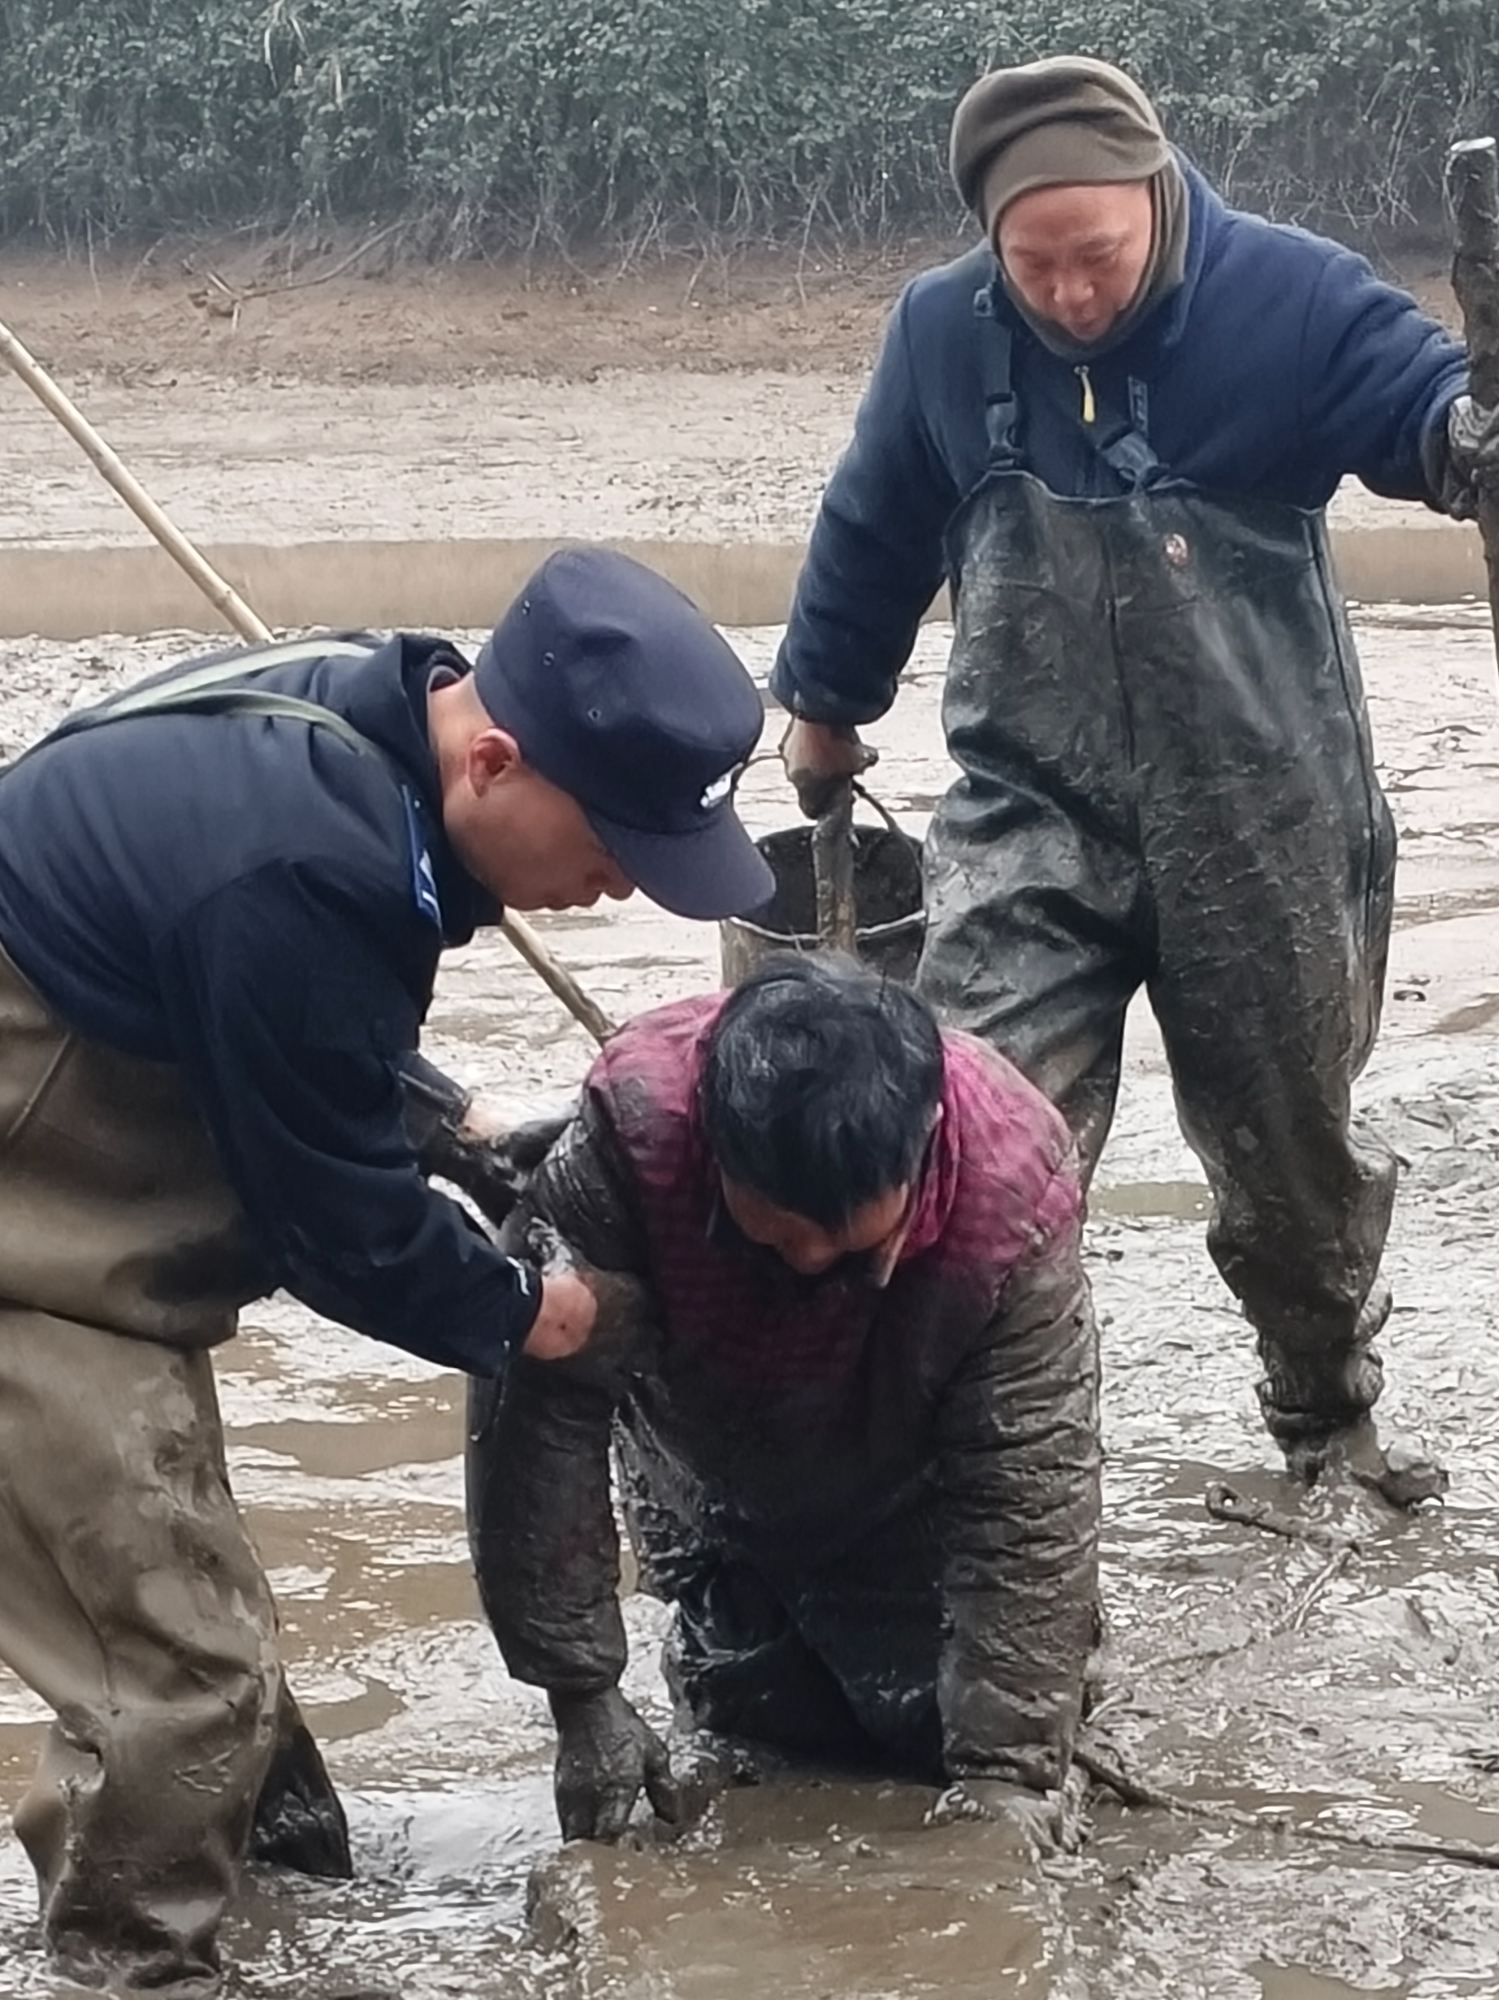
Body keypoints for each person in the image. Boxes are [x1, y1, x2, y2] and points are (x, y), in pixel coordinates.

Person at [0, 546, 773, 1998]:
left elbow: (283, 1017)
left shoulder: (377, 717)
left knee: (187, 1638)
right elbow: (336, 1232)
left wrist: (459, 1127)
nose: (617, 888)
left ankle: (274, 1911)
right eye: (610, 844)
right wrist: (530, 1314)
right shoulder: (310, 860)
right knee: (184, 1675)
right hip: (29, 1240)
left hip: (80, 1193)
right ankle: (128, 1973)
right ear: (492, 758)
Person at [774, 56, 1498, 1491]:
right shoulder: (939, 335)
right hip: (1025, 810)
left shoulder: (1282, 296)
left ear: (1157, 199)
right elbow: (870, 525)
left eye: (1092, 254)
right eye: (1028, 262)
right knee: (973, 1124)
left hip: (1268, 817)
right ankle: (975, 1456)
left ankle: (1323, 1418)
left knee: (1285, 1155)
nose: (1066, 293)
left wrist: (1462, 436)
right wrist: (822, 708)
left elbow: (1420, 407)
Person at [467, 954, 1100, 1852]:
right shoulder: (632, 1136)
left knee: (942, 1730)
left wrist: (1009, 1773)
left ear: (919, 1149)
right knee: (753, 1724)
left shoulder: (1010, 1196)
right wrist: (581, 1695)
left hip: (907, 1481)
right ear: (717, 1150)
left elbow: (1028, 1488)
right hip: (702, 1460)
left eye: (843, 1244)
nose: (805, 1263)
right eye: (774, 1231)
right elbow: (537, 1415)